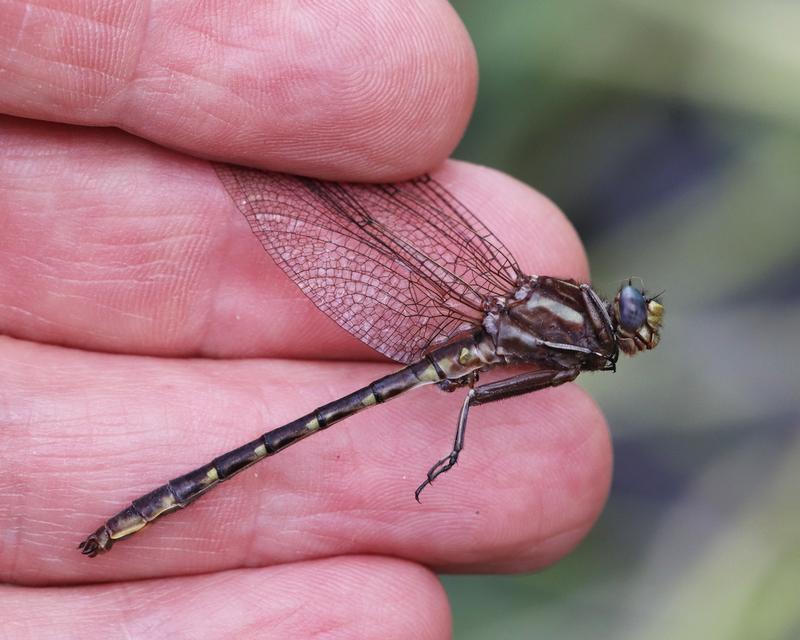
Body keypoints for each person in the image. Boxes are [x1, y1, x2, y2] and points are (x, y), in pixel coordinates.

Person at [0, 2, 610, 636]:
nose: (629, 322)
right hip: (474, 344)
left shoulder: (568, 335)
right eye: (627, 314)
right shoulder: (559, 323)